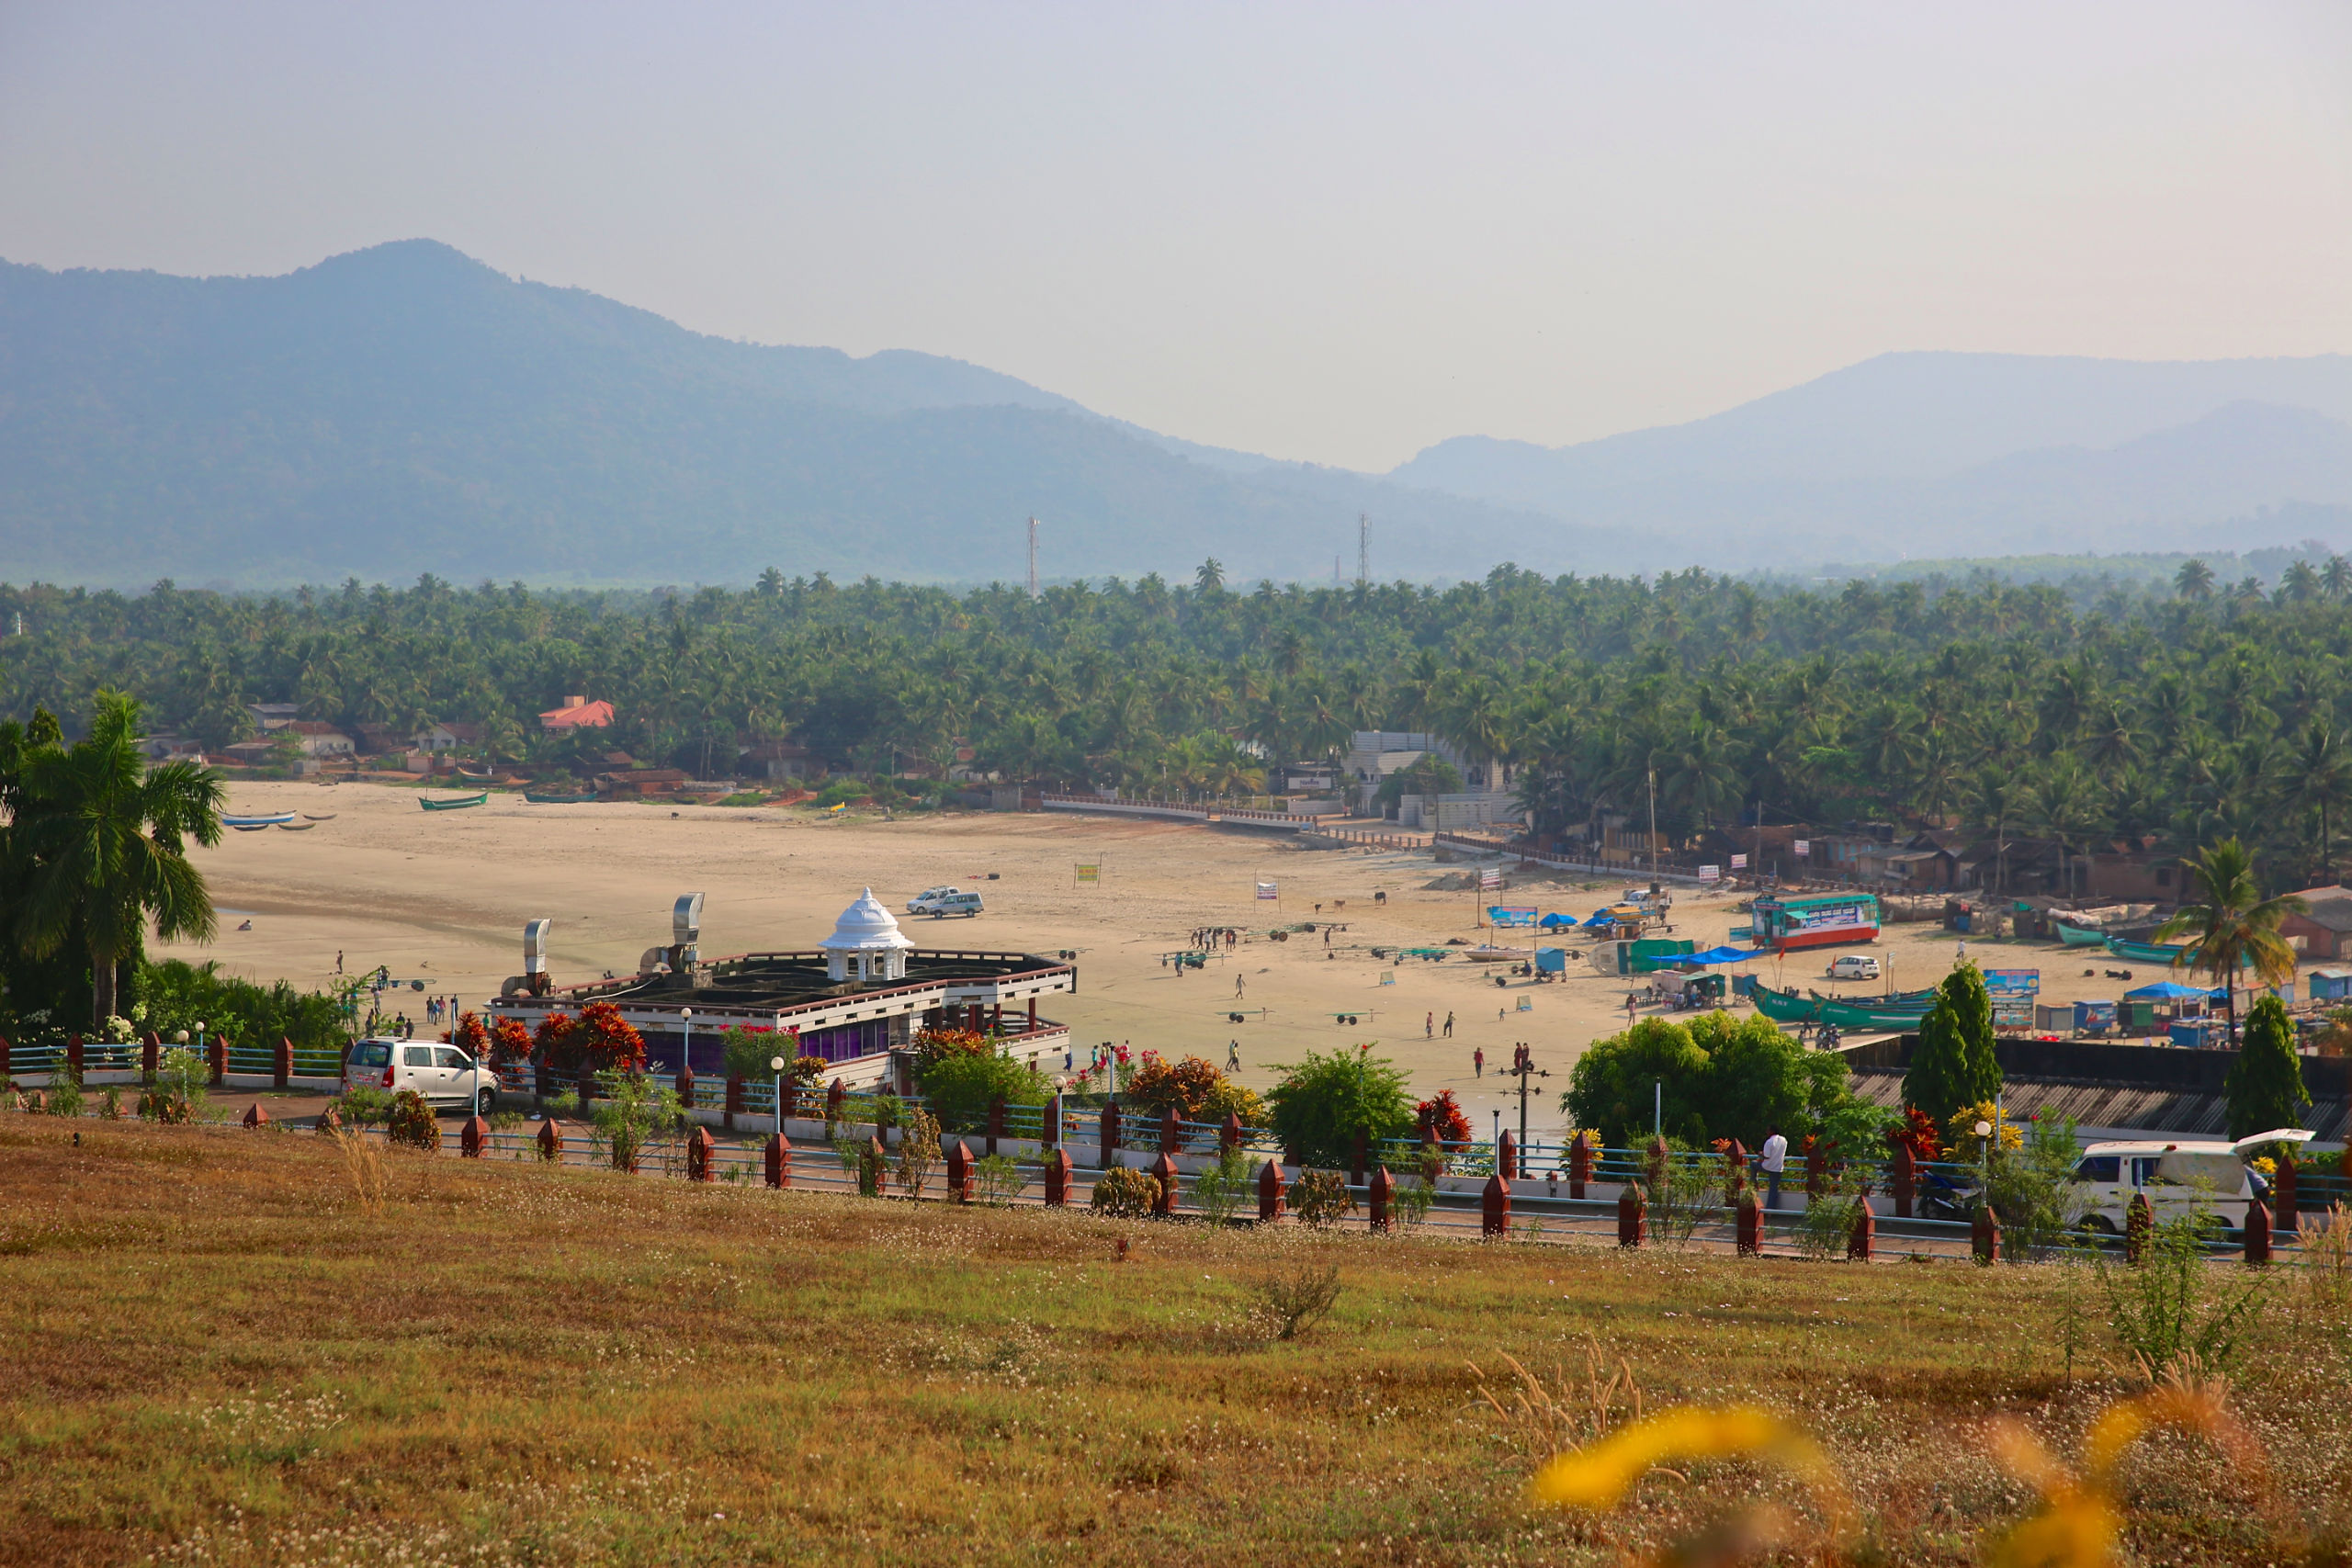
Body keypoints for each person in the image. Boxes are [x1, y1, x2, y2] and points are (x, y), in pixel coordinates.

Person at [1759, 1124, 1788, 1210]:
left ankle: (1754, 1182)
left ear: (1772, 1131)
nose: (1766, 1132)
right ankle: (1770, 1210)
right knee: (1773, 1189)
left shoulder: (1769, 1142)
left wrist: (1761, 1154)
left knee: (1753, 1165)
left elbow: (1767, 1156)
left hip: (1767, 1167)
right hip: (1778, 1168)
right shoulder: (1784, 1140)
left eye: (1768, 1130)